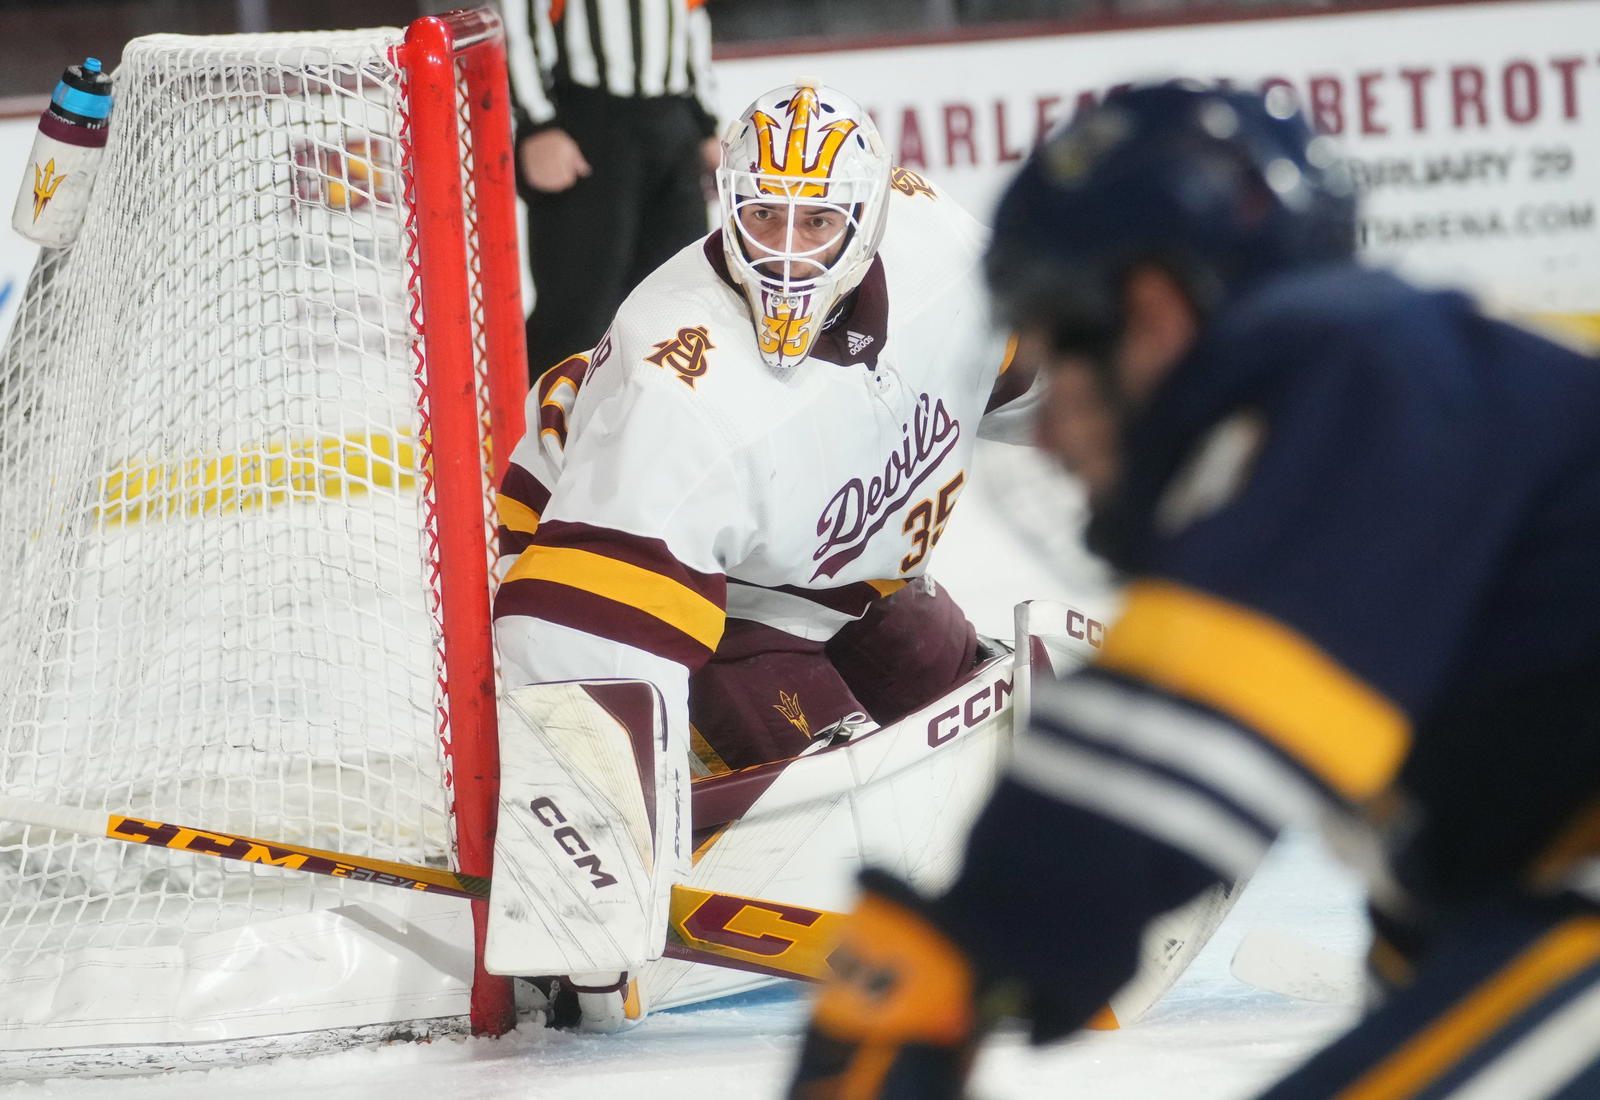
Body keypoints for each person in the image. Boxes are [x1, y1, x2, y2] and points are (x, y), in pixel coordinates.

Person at [787, 81, 1600, 1098]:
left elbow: (1190, 715)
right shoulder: (1427, 432)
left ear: (1153, 315)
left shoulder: (1362, 373)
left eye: (1055, 353)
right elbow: (1466, 915)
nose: (1044, 428)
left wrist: (963, 944)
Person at [491, 79, 1042, 1031]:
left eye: (816, 224)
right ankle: (710, 783)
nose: (786, 254)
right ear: (727, 206)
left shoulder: (940, 252)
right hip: (668, 583)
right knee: (856, 798)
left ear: (869, 216)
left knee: (982, 738)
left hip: (846, 572)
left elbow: (1046, 388)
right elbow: (578, 648)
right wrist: (588, 885)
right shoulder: (679, 395)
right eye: (762, 218)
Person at [501, 0, 723, 381]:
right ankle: (555, 434)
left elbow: (691, 16)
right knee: (579, 308)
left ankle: (662, 430)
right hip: (587, 121)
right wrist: (538, 122)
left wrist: (704, 122)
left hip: (673, 121)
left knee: (680, 300)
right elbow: (519, 16)